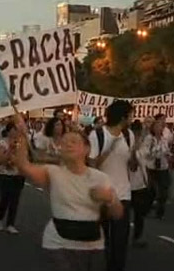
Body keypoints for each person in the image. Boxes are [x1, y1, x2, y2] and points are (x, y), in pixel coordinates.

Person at [12, 123, 123, 271]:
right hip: (58, 243)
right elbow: (24, 166)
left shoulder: (100, 178)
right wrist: (21, 135)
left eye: (74, 142)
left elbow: (118, 214)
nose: (68, 145)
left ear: (87, 149)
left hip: (93, 245)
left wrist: (110, 199)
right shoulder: (52, 172)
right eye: (64, 143)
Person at [88, 100, 134, 271]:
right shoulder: (98, 135)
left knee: (120, 241)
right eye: (130, 115)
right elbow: (92, 166)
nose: (132, 118)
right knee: (101, 240)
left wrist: (135, 154)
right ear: (123, 117)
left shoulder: (129, 135)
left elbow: (131, 166)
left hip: (123, 195)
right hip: (102, 195)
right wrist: (109, 149)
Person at [0, 122, 25, 234]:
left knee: (15, 200)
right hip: (4, 174)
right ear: (9, 131)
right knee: (5, 197)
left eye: (18, 129)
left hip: (18, 174)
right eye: (14, 129)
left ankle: (10, 224)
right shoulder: (2, 142)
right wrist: (10, 149)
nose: (16, 132)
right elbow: (0, 160)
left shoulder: (22, 143)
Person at [142, 120, 172, 220]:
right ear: (153, 128)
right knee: (151, 191)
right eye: (157, 126)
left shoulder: (164, 139)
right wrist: (155, 150)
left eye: (161, 127)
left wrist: (169, 155)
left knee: (164, 190)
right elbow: (146, 153)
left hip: (163, 167)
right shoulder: (149, 139)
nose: (160, 129)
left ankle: (160, 213)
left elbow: (166, 150)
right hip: (152, 167)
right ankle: (146, 209)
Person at [129, 121, 151, 248]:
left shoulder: (143, 146)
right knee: (125, 215)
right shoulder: (127, 145)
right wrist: (134, 148)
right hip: (128, 184)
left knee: (139, 214)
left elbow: (145, 157)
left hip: (140, 184)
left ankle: (137, 237)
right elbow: (133, 163)